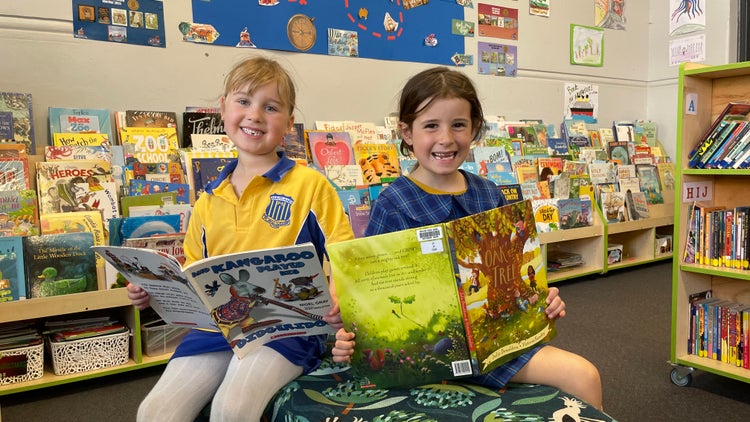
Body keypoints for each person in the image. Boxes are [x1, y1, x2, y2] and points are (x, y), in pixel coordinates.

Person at [331, 66, 602, 410]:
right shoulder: (393, 202)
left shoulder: (489, 193)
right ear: (406, 132)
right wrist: (348, 336)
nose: (446, 138)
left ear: (474, 129)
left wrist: (542, 301)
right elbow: (368, 297)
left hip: (495, 343)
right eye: (431, 126)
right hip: (427, 350)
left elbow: (518, 270)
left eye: (458, 125)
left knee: (585, 376)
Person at [126, 56, 354, 421]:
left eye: (271, 106)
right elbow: (192, 277)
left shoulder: (311, 186)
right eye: (244, 101)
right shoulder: (208, 198)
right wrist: (152, 290)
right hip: (218, 329)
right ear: (223, 109)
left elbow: (345, 255)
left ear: (289, 123)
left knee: (232, 409)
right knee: (154, 412)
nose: (255, 115)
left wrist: (339, 294)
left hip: (286, 331)